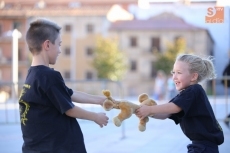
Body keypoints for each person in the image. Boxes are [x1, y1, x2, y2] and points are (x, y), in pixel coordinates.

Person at [18, 18, 109, 153]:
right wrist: (95, 117)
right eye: (59, 44)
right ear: (47, 45)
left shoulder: (33, 75)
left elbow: (69, 94)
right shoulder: (49, 76)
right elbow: (69, 109)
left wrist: (100, 100)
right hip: (56, 148)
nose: (60, 50)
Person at [136, 54, 224, 153]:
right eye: (173, 72)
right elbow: (165, 114)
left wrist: (150, 109)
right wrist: (147, 113)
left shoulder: (195, 90)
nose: (174, 77)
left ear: (193, 76)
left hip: (204, 148)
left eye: (179, 73)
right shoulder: (186, 93)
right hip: (199, 146)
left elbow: (175, 107)